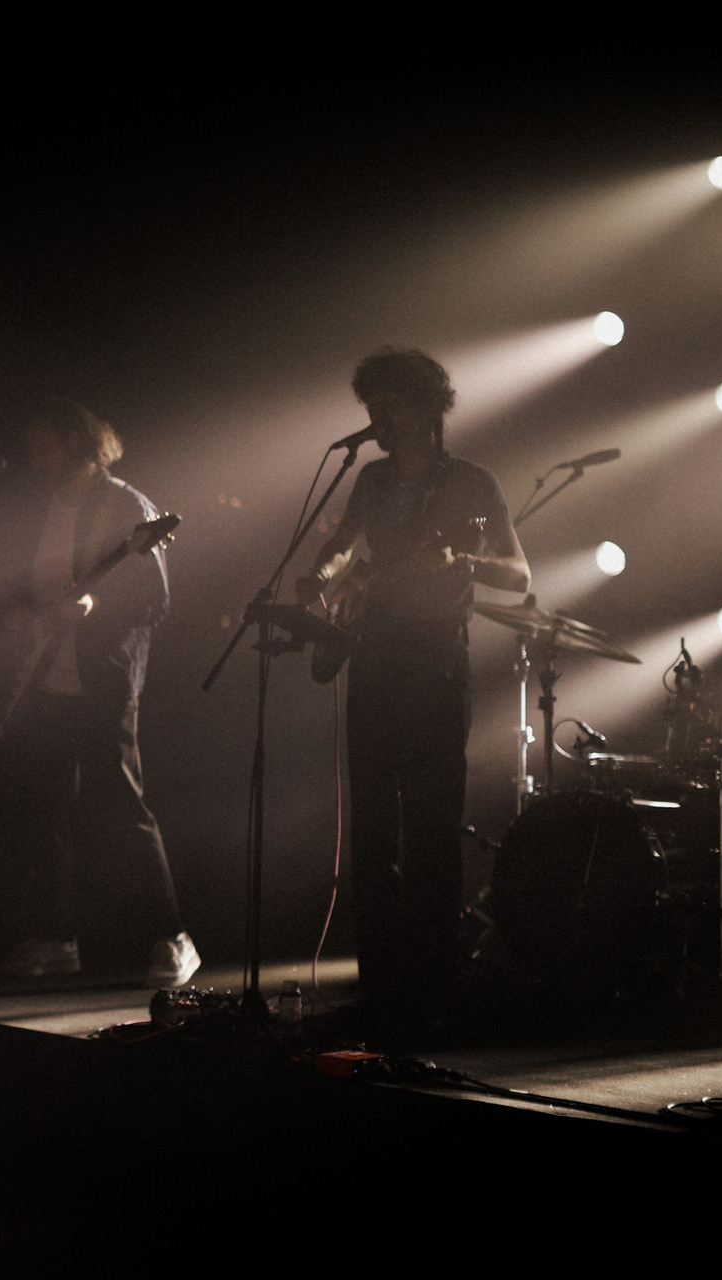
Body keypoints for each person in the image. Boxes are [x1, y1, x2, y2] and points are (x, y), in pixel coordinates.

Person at [295, 348, 529, 1016]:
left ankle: (433, 982)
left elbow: (520, 575)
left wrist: (462, 560)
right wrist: (321, 575)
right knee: (372, 824)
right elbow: (345, 542)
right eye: (371, 407)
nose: (376, 418)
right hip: (374, 654)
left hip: (435, 661)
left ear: (428, 409)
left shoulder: (472, 482)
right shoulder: (371, 478)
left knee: (431, 824)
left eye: (388, 406)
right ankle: (379, 976)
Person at [0, 398, 200, 989]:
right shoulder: (46, 510)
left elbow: (155, 599)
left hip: (104, 681)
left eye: (43, 446)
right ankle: (57, 939)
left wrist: (95, 605)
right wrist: (22, 613)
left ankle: (173, 936)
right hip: (47, 677)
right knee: (47, 809)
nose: (35, 458)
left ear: (74, 442)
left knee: (123, 805)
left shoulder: (125, 505)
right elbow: (39, 588)